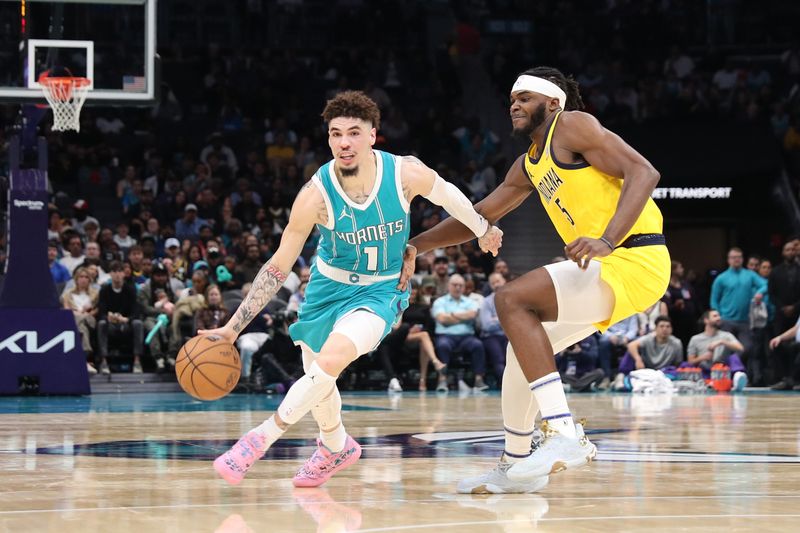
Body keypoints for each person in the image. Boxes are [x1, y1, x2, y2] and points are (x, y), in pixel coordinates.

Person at [201, 91, 502, 487]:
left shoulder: (405, 173)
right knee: (319, 383)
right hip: (326, 290)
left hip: (380, 292)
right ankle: (336, 445)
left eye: (354, 133)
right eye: (336, 134)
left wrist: (484, 230)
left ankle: (259, 439)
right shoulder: (314, 194)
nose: (344, 142)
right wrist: (231, 328)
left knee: (331, 360)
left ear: (373, 136)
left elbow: (450, 197)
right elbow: (278, 265)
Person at [401, 66, 670, 493]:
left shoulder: (573, 125)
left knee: (510, 299)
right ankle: (515, 464)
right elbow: (479, 216)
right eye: (511, 99)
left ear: (553, 102)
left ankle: (565, 433)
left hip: (635, 256)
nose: (515, 104)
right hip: (608, 266)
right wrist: (415, 244)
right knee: (517, 358)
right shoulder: (528, 164)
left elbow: (644, 172)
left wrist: (606, 238)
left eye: (525, 97)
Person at [613, 315, 683, 389]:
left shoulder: (677, 343)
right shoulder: (649, 338)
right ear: (656, 329)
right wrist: (638, 359)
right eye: (661, 326)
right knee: (630, 353)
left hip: (664, 372)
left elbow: (677, 363)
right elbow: (631, 345)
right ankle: (622, 376)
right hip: (646, 369)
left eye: (668, 326)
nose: (665, 329)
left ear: (671, 329)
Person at [686, 309, 747, 391]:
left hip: (722, 370)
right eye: (715, 316)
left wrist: (722, 342)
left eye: (719, 316)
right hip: (704, 369)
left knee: (733, 358)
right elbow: (690, 361)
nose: (718, 318)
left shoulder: (726, 335)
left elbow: (740, 348)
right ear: (706, 320)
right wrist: (702, 357)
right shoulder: (695, 339)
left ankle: (737, 379)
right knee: (686, 365)